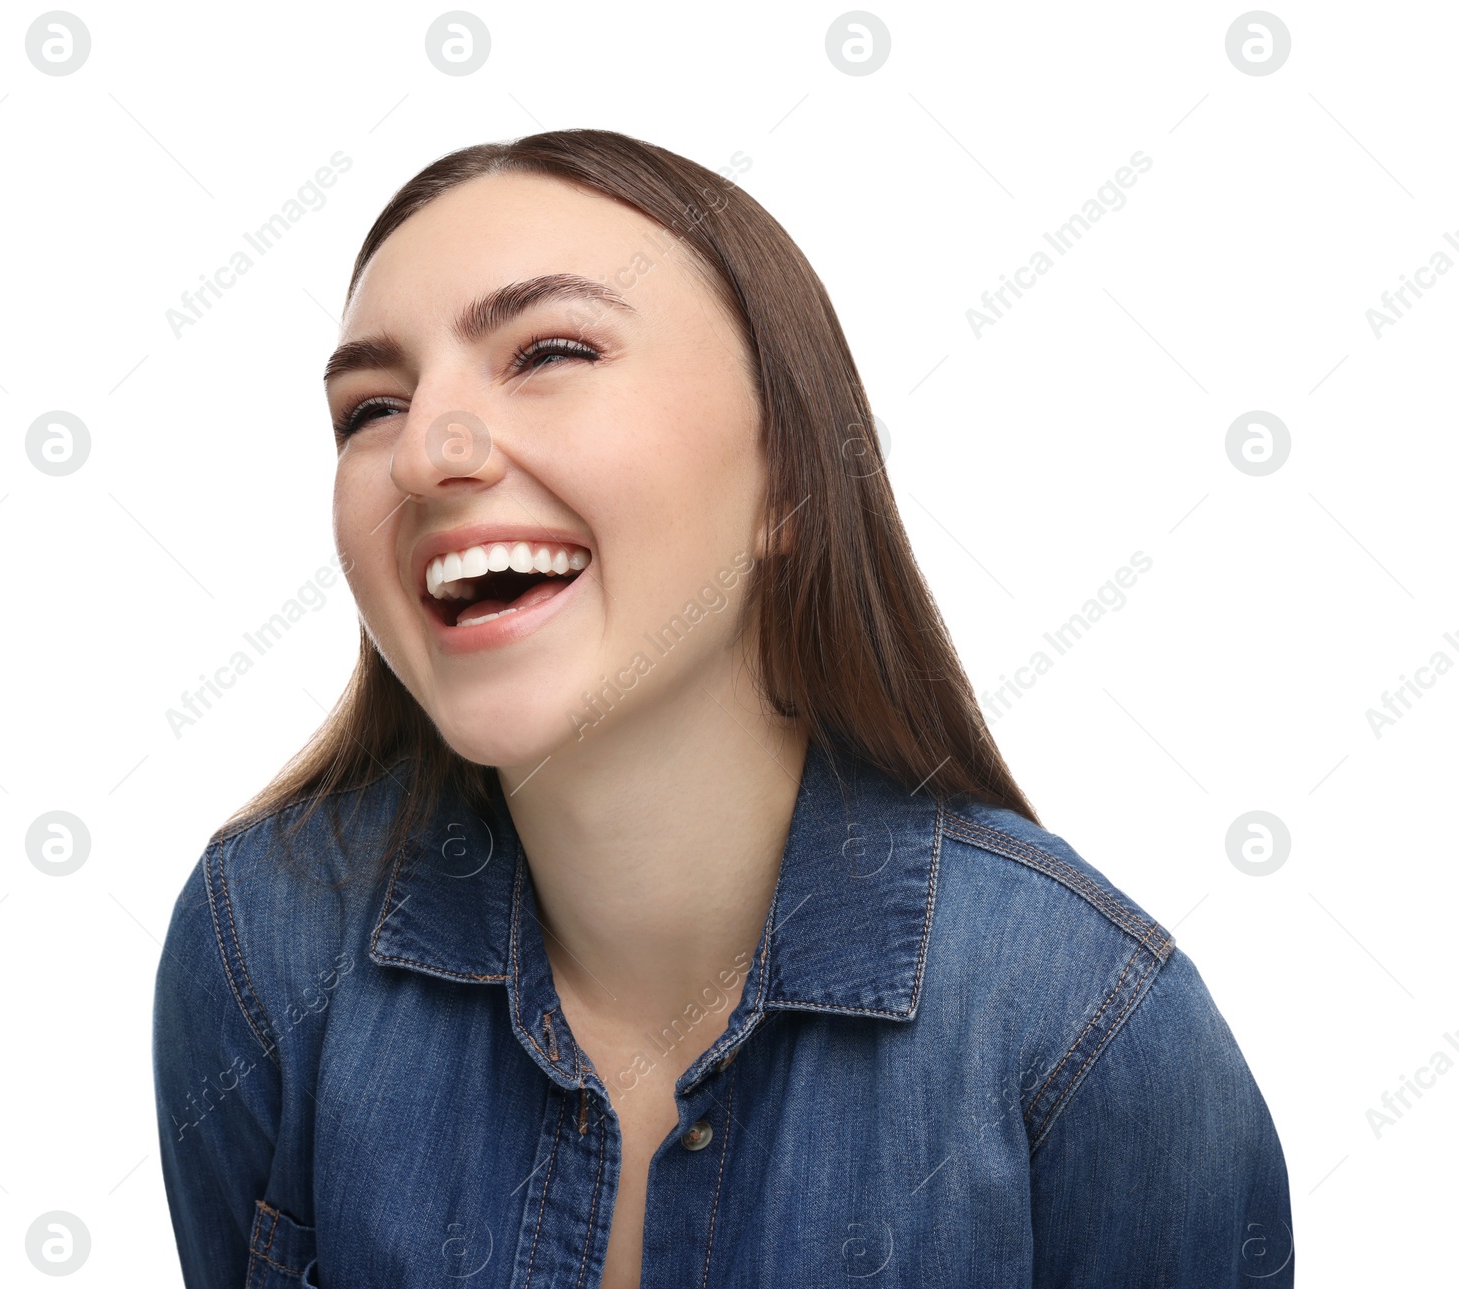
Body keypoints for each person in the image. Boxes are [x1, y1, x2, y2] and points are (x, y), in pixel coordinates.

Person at [152, 128, 1293, 1287]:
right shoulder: (264, 942)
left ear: (790, 479)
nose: (425, 453)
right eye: (369, 409)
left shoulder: (1089, 1027)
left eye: (546, 348)